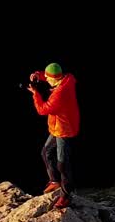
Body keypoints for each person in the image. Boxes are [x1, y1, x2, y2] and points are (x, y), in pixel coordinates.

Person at [27, 62, 79, 209]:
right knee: (45, 152)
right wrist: (39, 74)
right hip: (57, 126)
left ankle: (66, 195)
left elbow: (43, 109)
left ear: (55, 79)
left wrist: (35, 94)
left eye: (48, 78)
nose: (47, 80)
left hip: (64, 129)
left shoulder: (59, 94)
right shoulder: (67, 78)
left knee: (62, 163)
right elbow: (52, 76)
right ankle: (55, 181)